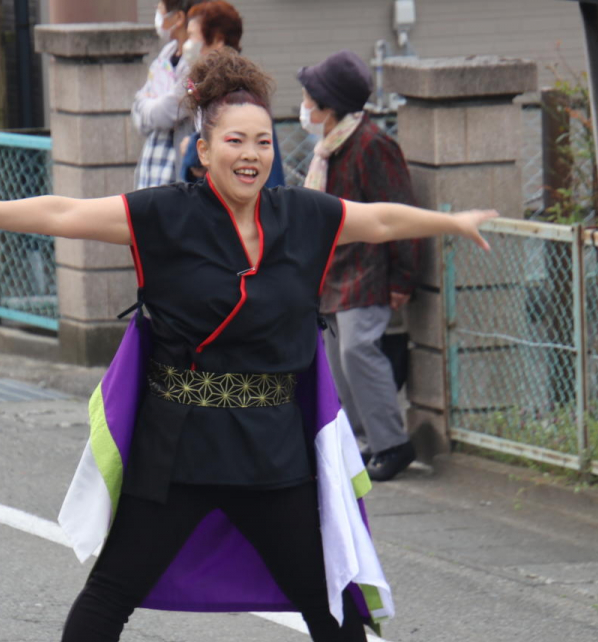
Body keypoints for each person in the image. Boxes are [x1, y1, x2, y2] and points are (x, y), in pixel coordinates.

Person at [0, 48, 495, 642]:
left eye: (262, 142)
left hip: (272, 446)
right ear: (204, 148)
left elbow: (377, 220)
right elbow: (63, 211)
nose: (250, 155)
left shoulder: (303, 216)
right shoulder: (164, 216)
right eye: (234, 141)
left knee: (323, 585)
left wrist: (452, 221)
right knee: (115, 587)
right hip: (181, 443)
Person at [300, 50, 419, 481]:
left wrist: (404, 275)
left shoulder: (371, 145)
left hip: (366, 273)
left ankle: (392, 443)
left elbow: (398, 212)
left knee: (355, 353)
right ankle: (364, 443)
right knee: (337, 362)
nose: (305, 109)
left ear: (329, 106)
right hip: (334, 274)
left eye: (310, 100)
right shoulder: (330, 148)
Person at [175, 0, 285, 187]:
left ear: (217, 39)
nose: (187, 44)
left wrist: (192, 150)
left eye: (193, 36)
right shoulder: (209, 83)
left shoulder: (236, 88)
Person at [133, 0, 204, 189]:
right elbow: (137, 106)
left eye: (160, 10)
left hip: (177, 174)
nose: (157, 16)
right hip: (152, 170)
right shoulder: (167, 52)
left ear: (179, 17)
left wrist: (149, 105)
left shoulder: (197, 62)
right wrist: (150, 107)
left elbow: (171, 109)